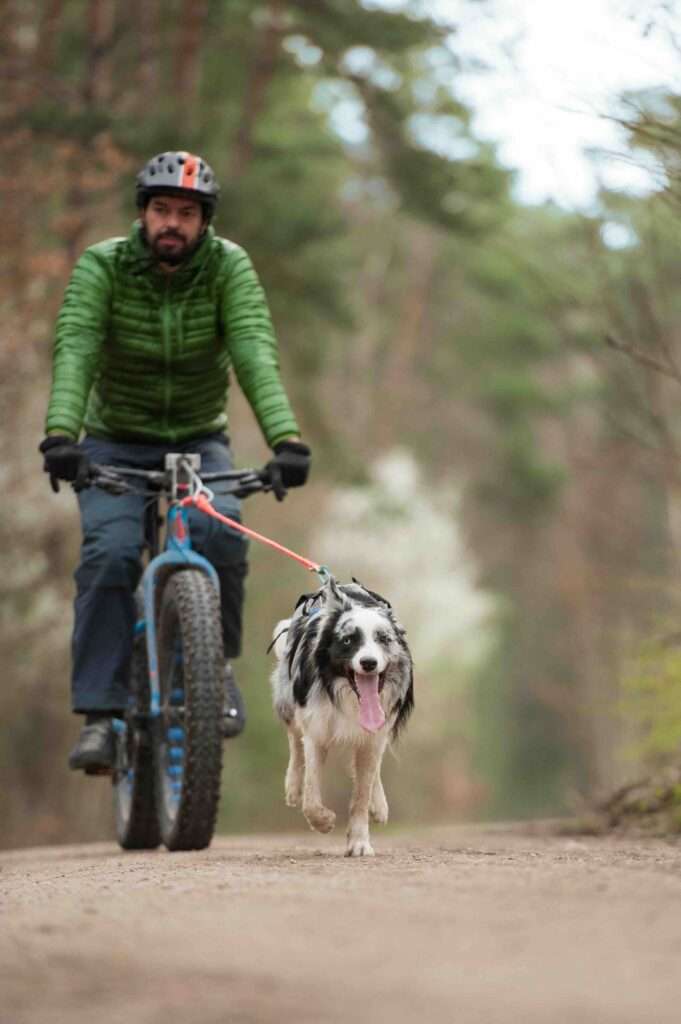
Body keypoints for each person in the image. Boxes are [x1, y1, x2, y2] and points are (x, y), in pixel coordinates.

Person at [39, 150, 310, 774]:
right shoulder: (103, 265)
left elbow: (253, 350)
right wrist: (62, 434)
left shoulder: (228, 268)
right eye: (162, 209)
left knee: (224, 531)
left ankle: (214, 670)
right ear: (143, 213)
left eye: (186, 214)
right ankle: (102, 716)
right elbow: (76, 344)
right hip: (113, 440)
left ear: (204, 222)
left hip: (198, 438)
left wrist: (286, 441)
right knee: (108, 554)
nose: (172, 223)